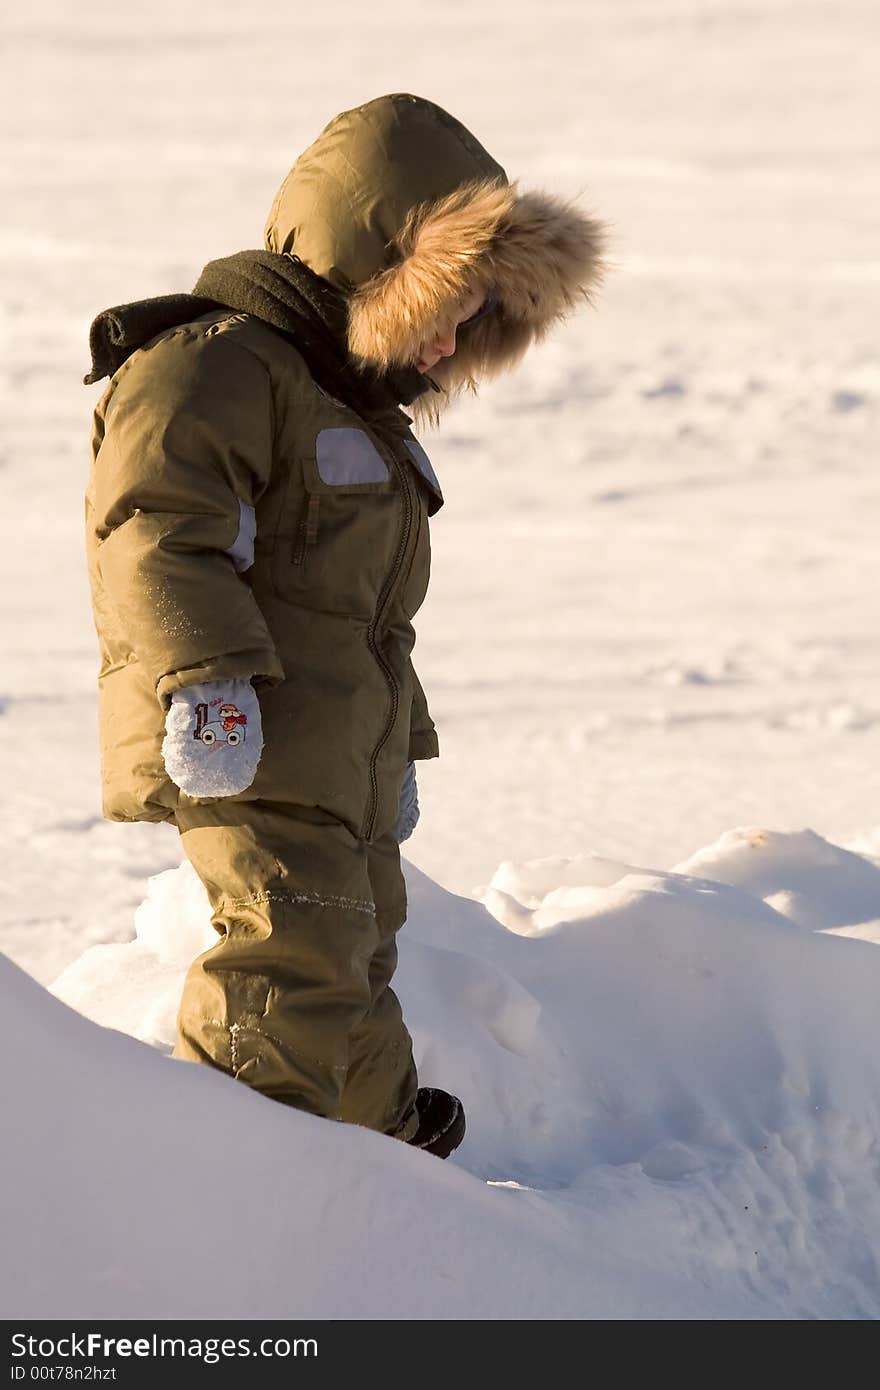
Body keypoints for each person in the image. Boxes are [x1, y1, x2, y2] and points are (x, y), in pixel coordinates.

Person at [83, 93, 607, 1158]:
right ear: (378, 262)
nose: (455, 335)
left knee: (354, 944)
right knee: (291, 954)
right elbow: (155, 532)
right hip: (248, 741)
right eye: (449, 298)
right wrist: (207, 684)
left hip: (335, 760)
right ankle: (231, 1185)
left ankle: (381, 1159)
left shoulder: (349, 412)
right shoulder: (213, 366)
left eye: (479, 313)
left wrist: (396, 748)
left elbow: (371, 624)